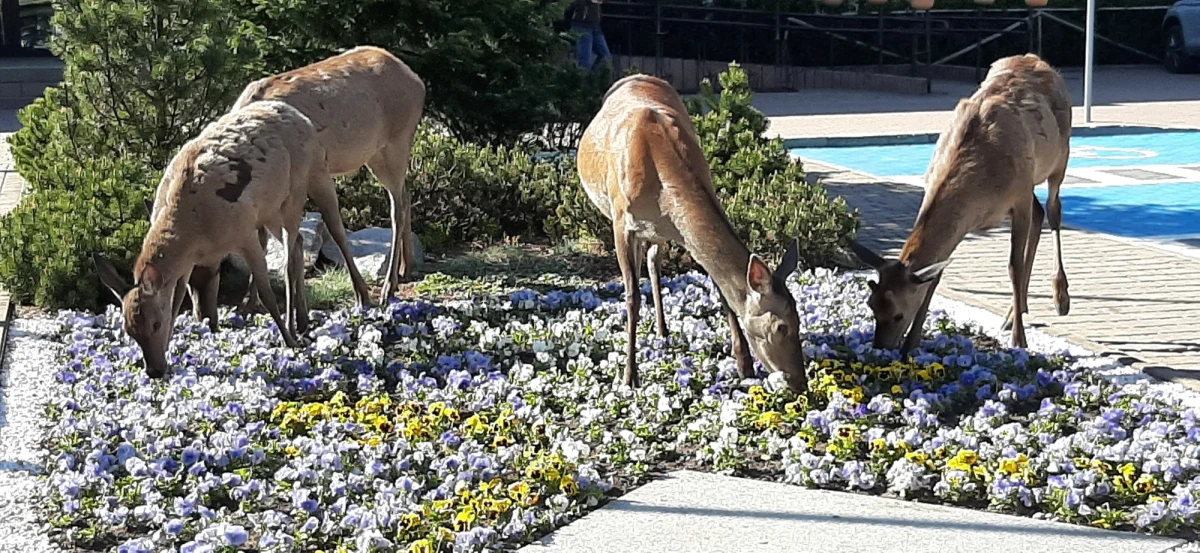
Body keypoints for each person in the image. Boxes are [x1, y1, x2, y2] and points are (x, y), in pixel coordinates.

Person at [570, 0, 610, 71]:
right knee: (585, 60)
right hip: (581, 25)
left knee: (605, 57)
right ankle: (585, 78)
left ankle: (592, 77)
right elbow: (574, 4)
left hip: (595, 25)